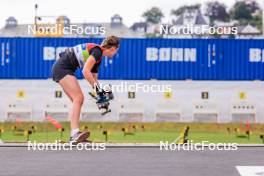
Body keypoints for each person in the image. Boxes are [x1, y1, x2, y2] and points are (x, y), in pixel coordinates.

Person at [51, 36, 120, 143]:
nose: (115, 54)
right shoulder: (97, 51)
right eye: (116, 51)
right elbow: (85, 72)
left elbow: (94, 78)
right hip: (63, 68)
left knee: (77, 101)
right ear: (113, 48)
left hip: (62, 68)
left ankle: (74, 135)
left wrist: (101, 95)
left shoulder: (98, 57)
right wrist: (98, 91)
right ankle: (75, 134)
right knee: (78, 98)